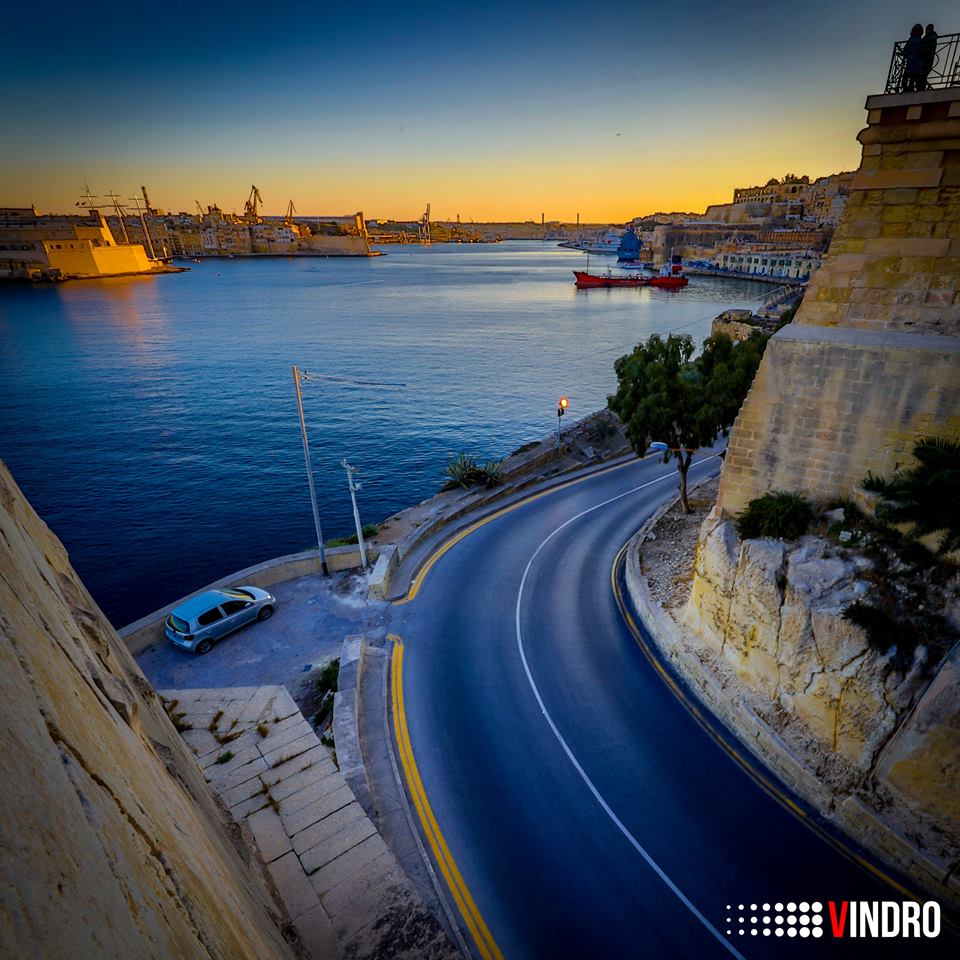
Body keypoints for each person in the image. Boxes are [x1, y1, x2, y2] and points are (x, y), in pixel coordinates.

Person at [903, 23, 925, 92]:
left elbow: (921, 49)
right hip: (911, 58)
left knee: (913, 74)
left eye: (918, 29)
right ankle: (905, 87)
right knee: (907, 74)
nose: (917, 31)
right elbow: (906, 48)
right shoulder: (911, 39)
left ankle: (910, 87)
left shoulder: (920, 39)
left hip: (916, 59)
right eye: (916, 29)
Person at [919, 23, 939, 89]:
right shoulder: (926, 37)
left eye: (929, 28)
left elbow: (931, 44)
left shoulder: (932, 35)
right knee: (922, 74)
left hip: (928, 57)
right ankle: (920, 87)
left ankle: (921, 87)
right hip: (923, 57)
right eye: (927, 29)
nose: (927, 30)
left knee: (924, 73)